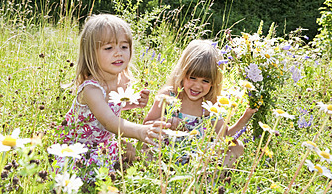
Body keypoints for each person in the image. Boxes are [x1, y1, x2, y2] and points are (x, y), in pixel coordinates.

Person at [57, 14, 169, 180]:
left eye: (124, 47)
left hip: (104, 143)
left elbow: (112, 104)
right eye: (109, 48)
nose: (118, 53)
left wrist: (133, 102)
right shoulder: (91, 89)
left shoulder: (120, 79)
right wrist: (140, 131)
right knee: (95, 173)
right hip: (81, 149)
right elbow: (109, 121)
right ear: (91, 54)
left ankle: (144, 181)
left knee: (136, 151)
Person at [143, 39, 257, 168]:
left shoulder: (211, 105)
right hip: (165, 153)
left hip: (197, 160)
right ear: (182, 73)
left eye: (205, 81)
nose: (197, 86)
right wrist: (169, 122)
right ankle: (156, 172)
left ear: (214, 82)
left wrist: (245, 117)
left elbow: (224, 136)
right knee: (147, 144)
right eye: (192, 78)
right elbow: (145, 125)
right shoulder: (168, 95)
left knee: (237, 146)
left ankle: (208, 178)